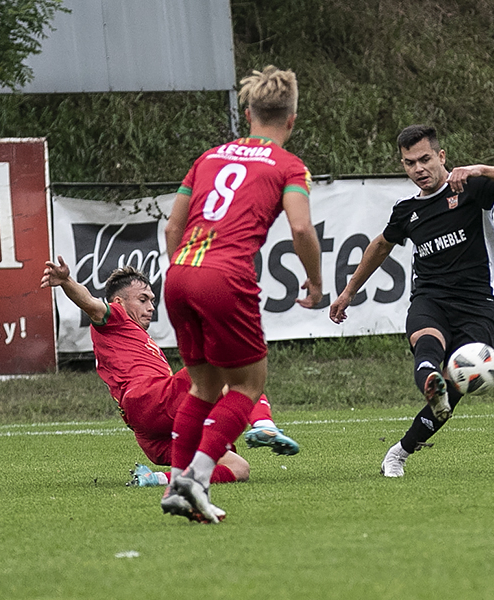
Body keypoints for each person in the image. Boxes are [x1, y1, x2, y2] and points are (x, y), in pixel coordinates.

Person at [162, 65, 322, 523]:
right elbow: (300, 227)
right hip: (225, 277)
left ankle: (176, 487)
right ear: (291, 120)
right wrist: (315, 282)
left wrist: (185, 272)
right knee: (248, 386)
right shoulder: (289, 166)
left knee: (204, 386)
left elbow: (173, 227)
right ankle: (196, 480)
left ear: (248, 114)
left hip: (180, 273)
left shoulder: (208, 157)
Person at [329, 124, 494, 477]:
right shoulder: (407, 211)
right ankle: (429, 380)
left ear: (441, 156)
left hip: (477, 305)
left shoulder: (471, 190)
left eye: (425, 159)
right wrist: (348, 292)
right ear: (403, 165)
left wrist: (480, 169)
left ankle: (399, 452)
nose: (419, 169)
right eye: (410, 163)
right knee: (426, 344)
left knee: (453, 393)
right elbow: (380, 246)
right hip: (430, 299)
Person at [40, 259, 300, 488]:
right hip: (149, 399)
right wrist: (66, 282)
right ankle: (264, 425)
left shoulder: (136, 339)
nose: (151, 306)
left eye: (152, 300)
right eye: (143, 299)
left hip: (150, 432)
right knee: (236, 367)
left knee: (238, 468)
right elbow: (90, 303)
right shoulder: (116, 317)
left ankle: (155, 479)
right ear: (119, 302)